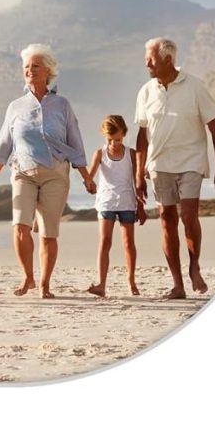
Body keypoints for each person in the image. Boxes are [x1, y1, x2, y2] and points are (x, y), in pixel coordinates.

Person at [0, 44, 96, 299]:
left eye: (35, 66)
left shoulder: (62, 105)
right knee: (19, 227)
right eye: (26, 67)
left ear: (48, 71)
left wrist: (86, 176)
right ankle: (28, 277)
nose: (29, 71)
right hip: (22, 171)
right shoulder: (15, 107)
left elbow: (75, 142)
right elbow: (4, 143)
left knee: (48, 233)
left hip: (55, 173)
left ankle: (45, 284)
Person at [135, 36, 215, 299]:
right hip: (159, 163)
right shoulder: (146, 91)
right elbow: (141, 136)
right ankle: (177, 284)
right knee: (166, 220)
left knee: (188, 216)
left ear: (167, 59)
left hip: (191, 160)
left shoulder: (195, 86)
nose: (147, 64)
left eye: (150, 59)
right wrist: (138, 174)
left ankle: (194, 265)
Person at [85, 115, 146, 297]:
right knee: (105, 242)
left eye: (117, 139)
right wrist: (89, 184)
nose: (113, 143)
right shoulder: (100, 153)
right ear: (104, 136)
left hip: (127, 202)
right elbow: (90, 176)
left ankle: (131, 282)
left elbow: (138, 182)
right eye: (109, 139)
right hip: (106, 202)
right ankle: (101, 284)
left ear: (124, 134)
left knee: (129, 244)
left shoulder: (131, 154)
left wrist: (141, 208)